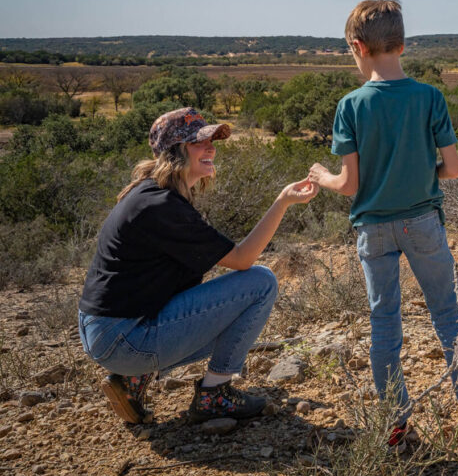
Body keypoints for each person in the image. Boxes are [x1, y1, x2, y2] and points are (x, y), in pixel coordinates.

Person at [307, 0, 458, 453]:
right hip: (423, 223)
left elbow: (349, 184)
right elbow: (454, 169)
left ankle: (395, 428)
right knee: (448, 317)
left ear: (358, 47)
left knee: (384, 323)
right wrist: (423, 174)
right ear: (402, 44)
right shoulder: (429, 97)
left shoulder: (350, 105)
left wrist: (322, 177)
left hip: (373, 230)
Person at [78, 107, 318, 424]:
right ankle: (213, 395)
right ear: (175, 152)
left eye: (211, 140)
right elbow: (243, 259)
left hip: (109, 332)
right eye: (199, 142)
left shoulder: (152, 194)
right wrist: (282, 201)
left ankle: (133, 378)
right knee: (260, 283)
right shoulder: (161, 205)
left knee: (227, 305)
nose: (211, 148)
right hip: (123, 340)